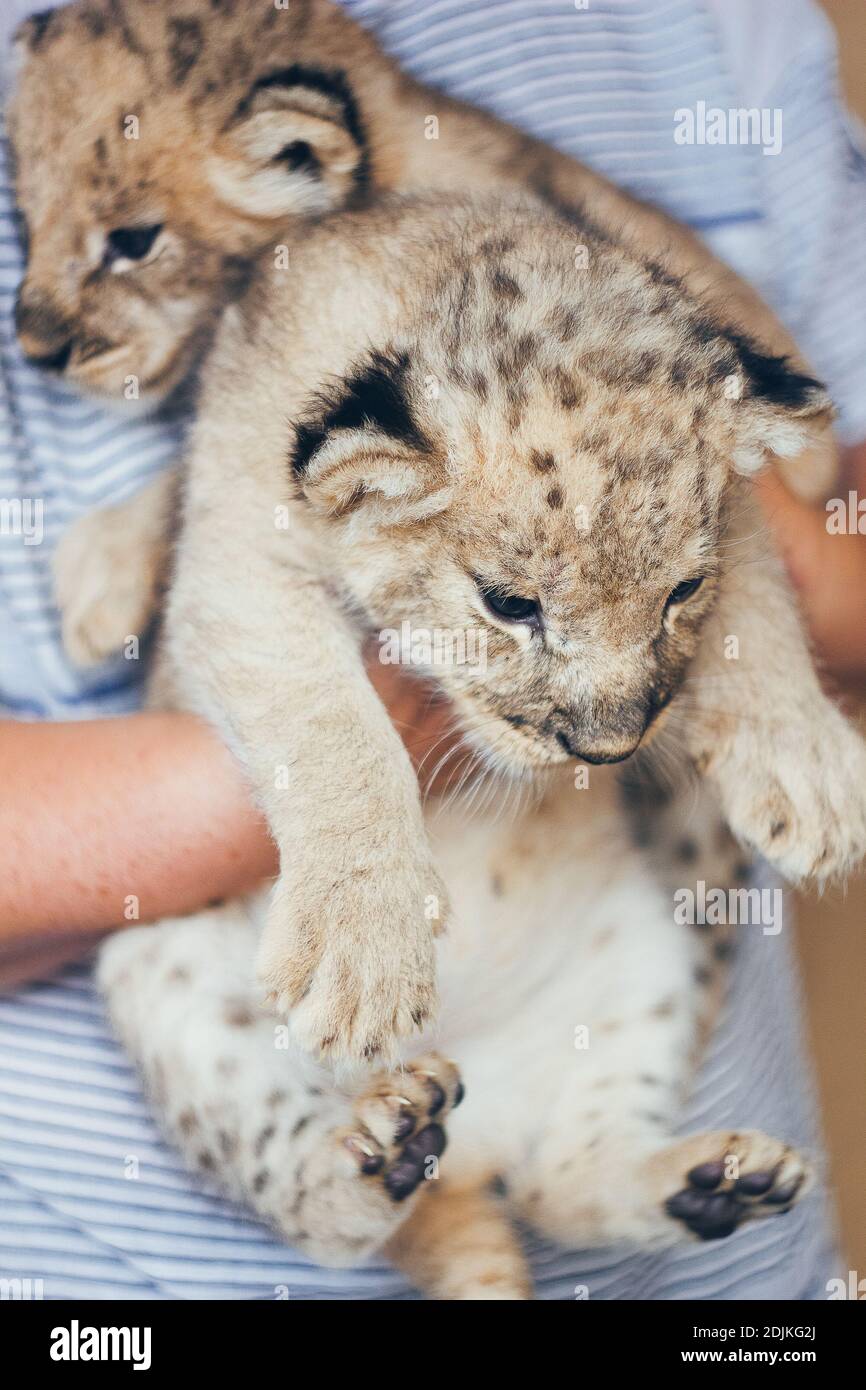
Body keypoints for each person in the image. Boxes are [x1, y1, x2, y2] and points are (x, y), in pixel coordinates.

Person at [0, 0, 863, 1299]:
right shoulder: (90, 98)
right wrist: (344, 822)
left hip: (734, 1277)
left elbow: (808, 481)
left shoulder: (722, 27)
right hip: (136, 1271)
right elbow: (269, 541)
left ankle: (595, 1156)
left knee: (662, 785)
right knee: (163, 978)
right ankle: (387, 1204)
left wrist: (733, 571)